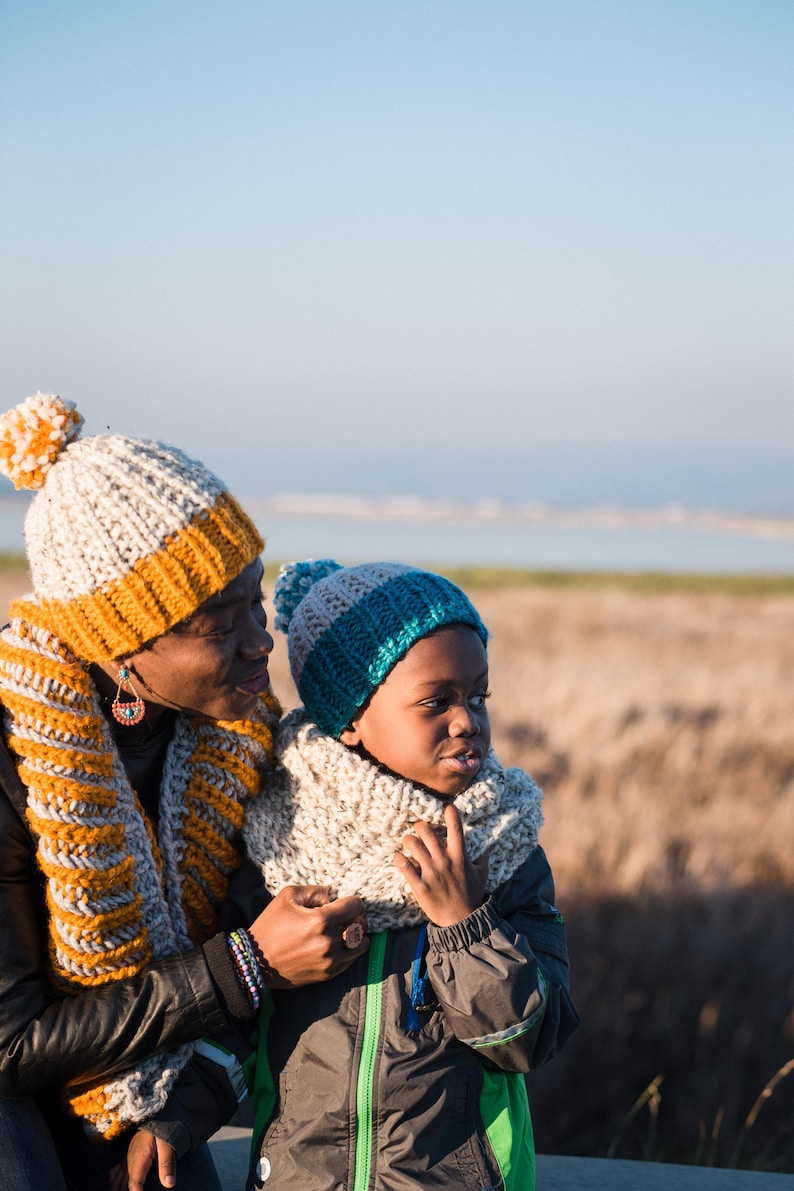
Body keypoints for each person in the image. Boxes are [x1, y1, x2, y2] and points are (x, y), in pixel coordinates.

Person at [0, 395, 368, 1191]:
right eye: (218, 620)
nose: (260, 640)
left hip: (140, 1066)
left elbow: (257, 937)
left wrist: (190, 1100)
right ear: (118, 643)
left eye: (257, 598)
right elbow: (8, 1044)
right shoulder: (10, 751)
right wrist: (243, 967)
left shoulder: (239, 742)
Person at [130, 558, 580, 1190]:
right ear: (351, 719)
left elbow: (532, 1037)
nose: (467, 719)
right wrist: (179, 1116)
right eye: (436, 700)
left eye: (479, 695)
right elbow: (238, 1015)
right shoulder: (281, 847)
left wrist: (464, 926)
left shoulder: (500, 851)